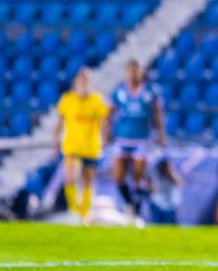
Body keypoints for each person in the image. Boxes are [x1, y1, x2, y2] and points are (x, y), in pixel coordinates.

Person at [107, 59, 168, 227]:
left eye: (135, 71)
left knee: (138, 175)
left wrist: (162, 134)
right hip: (122, 137)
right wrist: (106, 132)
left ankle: (136, 209)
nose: (132, 74)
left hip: (141, 138)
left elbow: (158, 114)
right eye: (130, 71)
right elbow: (109, 113)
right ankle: (130, 204)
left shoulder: (150, 92)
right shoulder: (120, 92)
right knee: (118, 175)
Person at [53, 67, 110, 224]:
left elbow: (105, 120)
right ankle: (73, 210)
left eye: (86, 79)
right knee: (71, 177)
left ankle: (84, 214)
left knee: (87, 180)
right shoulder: (67, 100)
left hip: (90, 147)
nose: (84, 81)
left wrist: (105, 137)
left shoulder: (96, 101)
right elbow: (59, 122)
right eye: (81, 78)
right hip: (72, 146)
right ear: (75, 81)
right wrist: (55, 143)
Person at [147, 156, 183, 225]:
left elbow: (180, 184)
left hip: (170, 205)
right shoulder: (156, 175)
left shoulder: (172, 176)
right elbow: (150, 187)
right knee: (157, 223)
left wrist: (172, 172)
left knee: (171, 223)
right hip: (158, 203)